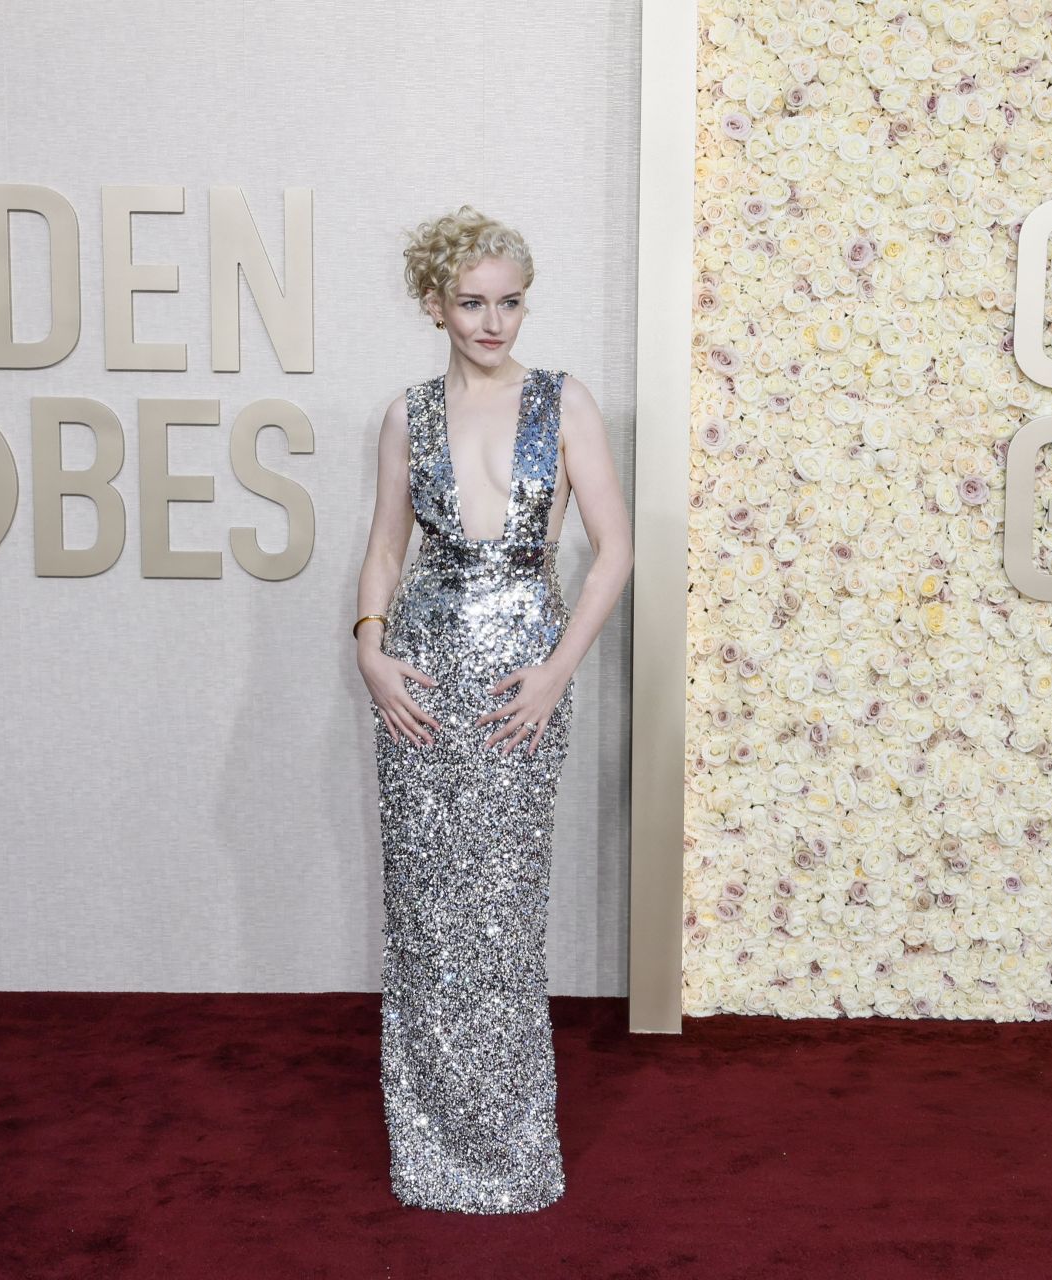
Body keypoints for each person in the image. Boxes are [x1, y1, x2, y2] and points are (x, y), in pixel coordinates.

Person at [353, 206, 632, 1213]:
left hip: (521, 679)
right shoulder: (406, 413)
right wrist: (370, 648)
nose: (493, 321)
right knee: (428, 914)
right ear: (435, 304)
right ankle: (428, 1149)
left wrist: (558, 672)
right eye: (471, 302)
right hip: (418, 681)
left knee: (503, 914)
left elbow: (616, 550)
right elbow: (387, 547)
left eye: (509, 301)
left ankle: (506, 1152)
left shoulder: (564, 402)